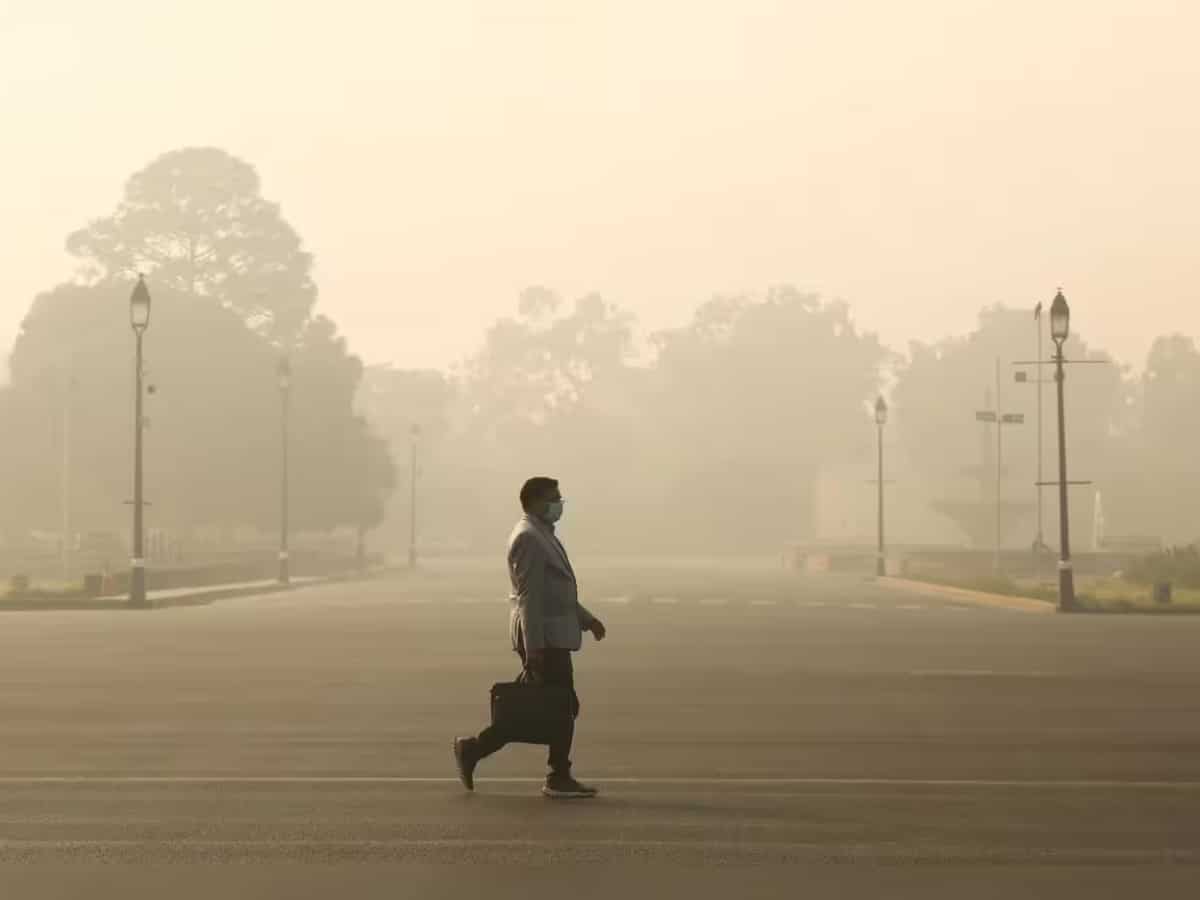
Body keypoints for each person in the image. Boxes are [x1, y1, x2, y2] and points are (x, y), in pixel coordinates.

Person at [454, 477, 607, 799]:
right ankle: (557, 775)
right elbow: (529, 599)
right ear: (536, 501)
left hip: (551, 636)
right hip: (544, 639)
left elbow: (556, 592)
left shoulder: (542, 535)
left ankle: (475, 749)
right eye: (555, 498)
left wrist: (587, 620)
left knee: (544, 707)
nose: (560, 503)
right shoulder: (528, 539)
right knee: (560, 707)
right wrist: (535, 647)